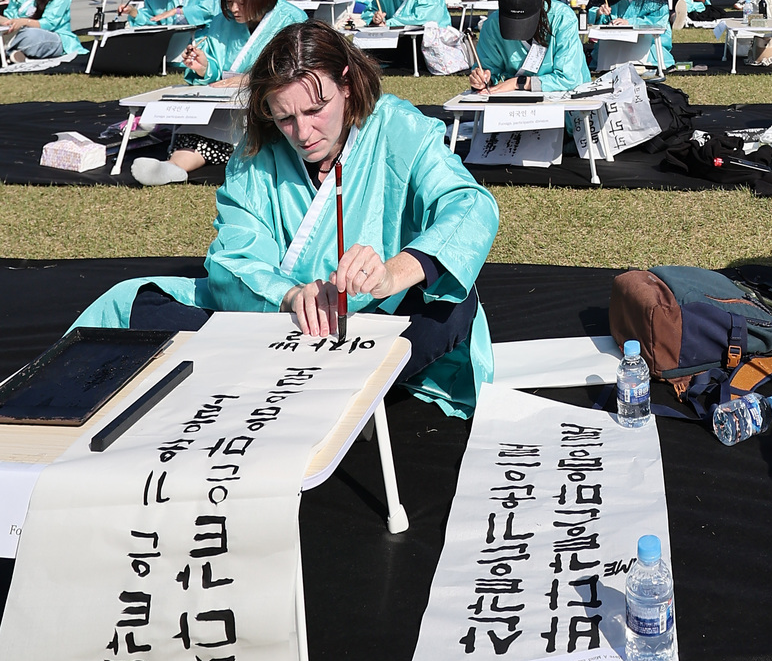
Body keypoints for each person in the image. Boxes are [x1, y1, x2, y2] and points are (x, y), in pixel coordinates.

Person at [71, 23, 498, 417]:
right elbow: (233, 261)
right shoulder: (256, 157)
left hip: (380, 318)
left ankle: (313, 383)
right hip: (281, 323)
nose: (304, 132)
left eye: (316, 110)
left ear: (346, 83)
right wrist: (291, 297)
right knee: (137, 303)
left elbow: (470, 205)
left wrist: (393, 273)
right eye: (285, 118)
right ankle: (345, 388)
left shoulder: (399, 126)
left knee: (454, 305)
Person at [132, 0, 306, 186]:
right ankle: (172, 167)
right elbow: (215, 64)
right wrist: (204, 67)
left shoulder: (293, 20)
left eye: (242, 3)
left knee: (251, 134)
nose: (234, 9)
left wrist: (253, 80)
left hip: (264, 109)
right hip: (223, 105)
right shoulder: (222, 21)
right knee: (196, 131)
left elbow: (299, 71)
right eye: (230, 1)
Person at [471, 0, 589, 94]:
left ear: (542, 2)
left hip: (567, 99)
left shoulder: (563, 18)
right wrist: (482, 79)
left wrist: (519, 83)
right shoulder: (492, 25)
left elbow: (568, 78)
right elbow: (488, 67)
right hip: (514, 101)